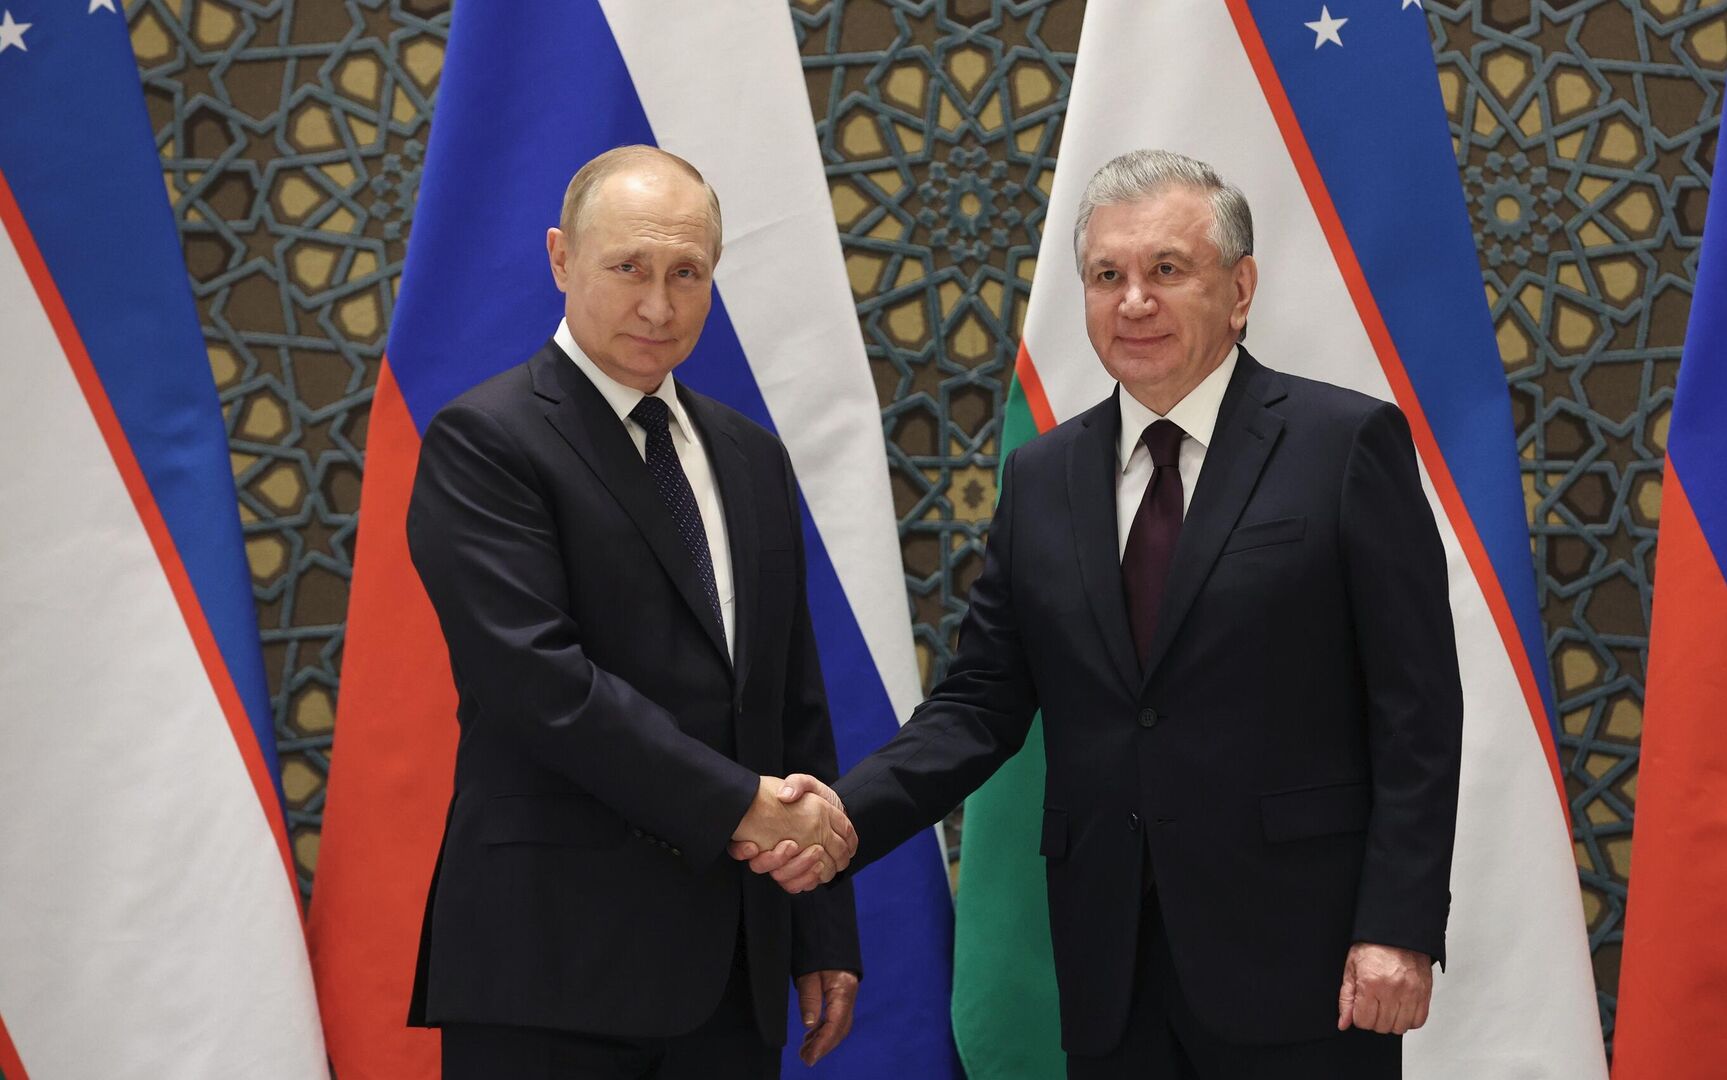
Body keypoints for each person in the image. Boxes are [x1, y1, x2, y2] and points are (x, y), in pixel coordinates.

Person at [742, 149, 1464, 1078]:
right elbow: (980, 705)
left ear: (1240, 290)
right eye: (1106, 276)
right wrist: (843, 814)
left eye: (1167, 269)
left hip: (1307, 965)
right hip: (1111, 971)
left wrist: (1398, 925)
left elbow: (1417, 710)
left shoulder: (1344, 444)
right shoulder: (1043, 477)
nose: (1134, 302)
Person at [405, 145, 862, 1079]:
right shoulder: (485, 441)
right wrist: (740, 806)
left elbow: (790, 702)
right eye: (628, 268)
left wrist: (818, 920)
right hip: (552, 968)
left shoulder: (751, 457)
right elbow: (540, 684)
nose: (658, 306)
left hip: (731, 970)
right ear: (561, 259)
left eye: (686, 274)